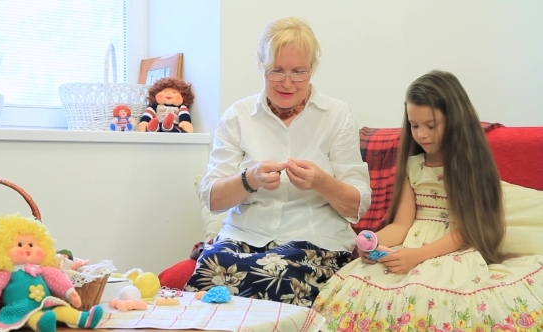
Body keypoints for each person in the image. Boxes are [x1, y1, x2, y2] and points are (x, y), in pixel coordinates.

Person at [312, 70, 543, 331]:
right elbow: (401, 225)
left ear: (454, 121)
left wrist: (417, 256)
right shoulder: (413, 165)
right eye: (414, 125)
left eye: (431, 125)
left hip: (451, 250)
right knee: (360, 284)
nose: (421, 134)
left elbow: (466, 231)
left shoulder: (468, 165)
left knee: (429, 298)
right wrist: (373, 243)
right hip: (409, 244)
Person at [183, 16, 371, 307]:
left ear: (313, 69)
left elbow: (357, 205)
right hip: (243, 236)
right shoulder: (238, 116)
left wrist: (322, 182)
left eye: (299, 72)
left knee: (280, 276)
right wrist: (250, 180)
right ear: (261, 64)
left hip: (315, 241)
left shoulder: (336, 115)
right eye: (276, 71)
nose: (287, 83)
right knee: (209, 273)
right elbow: (213, 198)